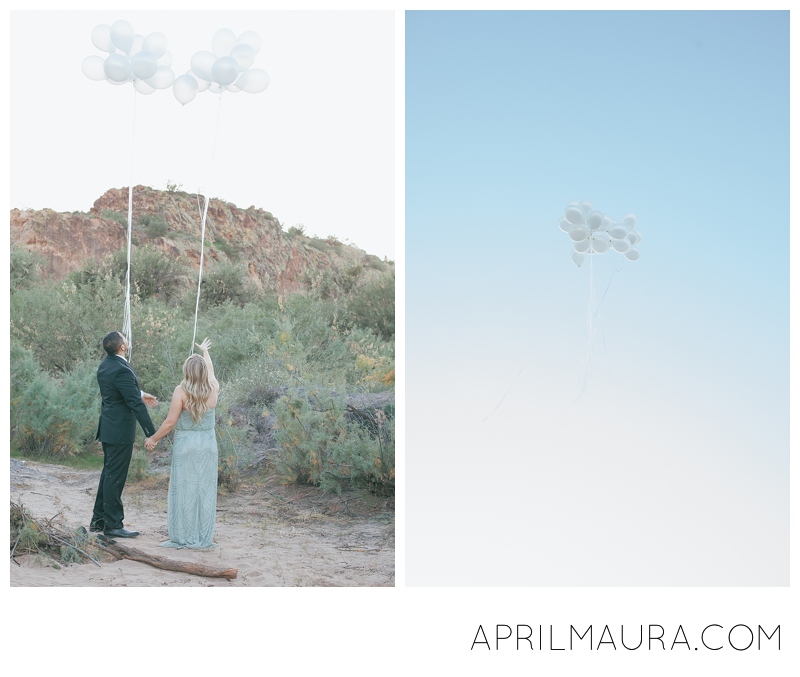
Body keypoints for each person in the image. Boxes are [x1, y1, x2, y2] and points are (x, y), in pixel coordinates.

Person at [145, 338, 219, 549]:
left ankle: (183, 535)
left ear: (187, 370)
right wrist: (205, 352)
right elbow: (211, 371)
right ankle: (202, 535)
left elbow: (170, 422)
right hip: (207, 446)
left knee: (184, 490)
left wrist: (153, 439)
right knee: (204, 491)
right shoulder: (213, 388)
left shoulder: (181, 391)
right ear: (204, 371)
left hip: (186, 445)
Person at [91, 331, 159, 538]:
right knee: (115, 477)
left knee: (108, 474)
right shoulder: (120, 369)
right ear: (122, 346)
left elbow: (120, 391)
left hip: (109, 428)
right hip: (119, 430)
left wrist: (141, 393)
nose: (127, 339)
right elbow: (134, 404)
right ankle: (112, 524)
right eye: (124, 337)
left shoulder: (106, 365)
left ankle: (98, 520)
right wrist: (152, 432)